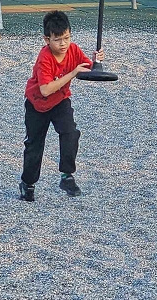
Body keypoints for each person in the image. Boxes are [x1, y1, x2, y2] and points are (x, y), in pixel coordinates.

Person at [19, 10, 104, 202]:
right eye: (58, 40)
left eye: (67, 37)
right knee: (34, 146)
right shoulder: (45, 58)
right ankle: (28, 183)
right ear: (47, 39)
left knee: (71, 132)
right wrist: (72, 73)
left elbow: (86, 68)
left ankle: (67, 175)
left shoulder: (72, 50)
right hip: (37, 105)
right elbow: (46, 90)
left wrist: (96, 62)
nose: (63, 43)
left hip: (60, 101)